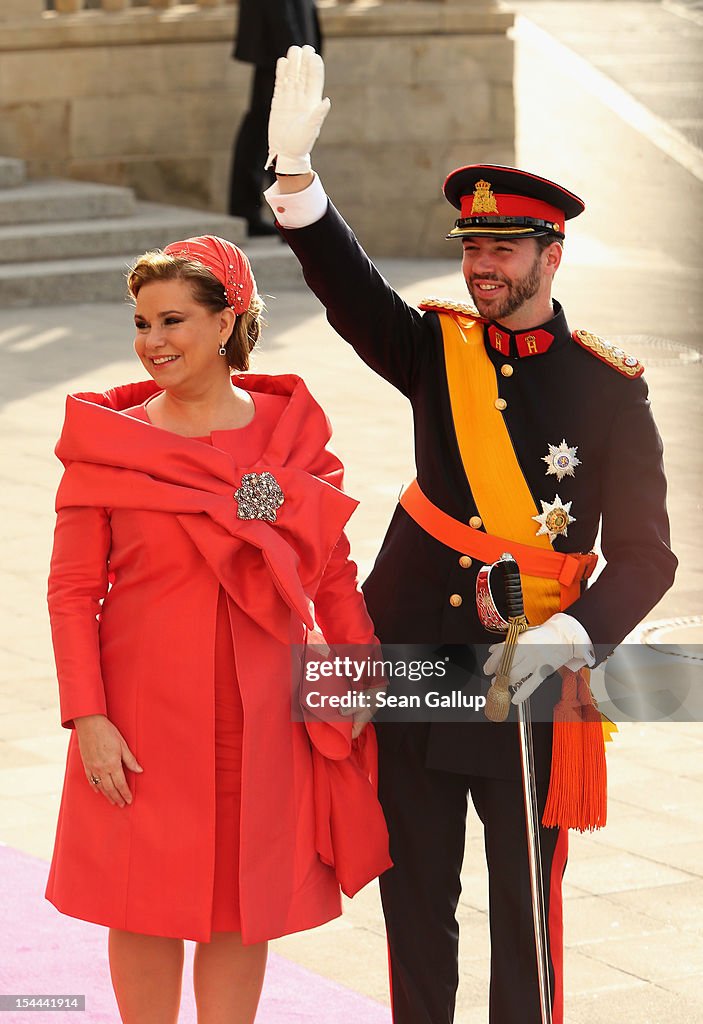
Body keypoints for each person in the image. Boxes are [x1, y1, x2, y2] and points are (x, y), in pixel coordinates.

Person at [262, 46, 678, 1024]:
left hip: (525, 671)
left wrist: (578, 630)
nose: (479, 266)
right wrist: (295, 183)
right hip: (410, 657)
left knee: (524, 914)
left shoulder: (608, 389)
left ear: (550, 253)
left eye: (502, 249)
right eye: (470, 247)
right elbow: (351, 291)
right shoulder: (435, 350)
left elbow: (651, 554)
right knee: (415, 905)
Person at [44, 233, 391, 1024]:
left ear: (228, 319)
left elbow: (330, 570)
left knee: (243, 898)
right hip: (140, 713)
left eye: (171, 321)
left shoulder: (287, 436)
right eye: (140, 324)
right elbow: (70, 593)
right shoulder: (107, 445)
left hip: (264, 708)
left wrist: (360, 679)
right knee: (141, 901)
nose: (152, 342)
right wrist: (88, 717)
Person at [229, 0, 321, 235]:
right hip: (280, 51)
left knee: (263, 129)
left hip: (283, 48)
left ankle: (256, 212)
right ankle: (284, 216)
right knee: (274, 132)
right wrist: (294, 54)